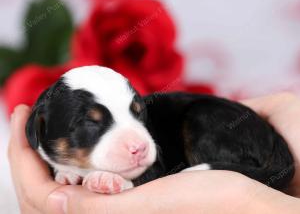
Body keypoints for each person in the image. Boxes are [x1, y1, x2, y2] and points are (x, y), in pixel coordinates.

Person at [7, 92, 300, 214]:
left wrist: (250, 201)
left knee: (199, 126)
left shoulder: (141, 142)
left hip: (232, 134)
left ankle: (232, 167)